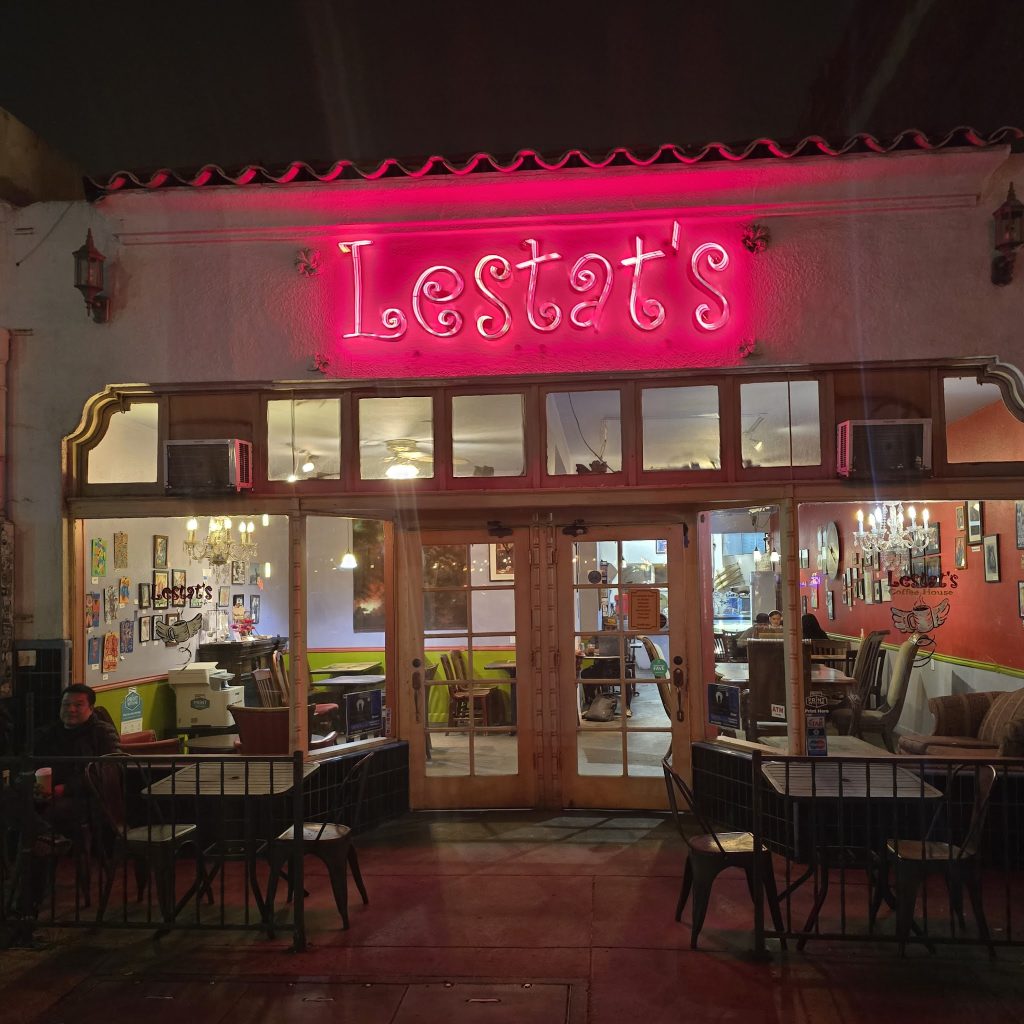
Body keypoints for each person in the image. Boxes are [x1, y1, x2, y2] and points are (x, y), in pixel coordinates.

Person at [33, 684, 118, 839]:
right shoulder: (47, 734)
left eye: (78, 705)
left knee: (55, 811)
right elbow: (32, 765)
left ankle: (52, 844)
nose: (71, 709)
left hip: (88, 798)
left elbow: (108, 773)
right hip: (47, 793)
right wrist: (36, 788)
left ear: (91, 708)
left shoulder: (102, 733)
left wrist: (65, 789)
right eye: (66, 704)